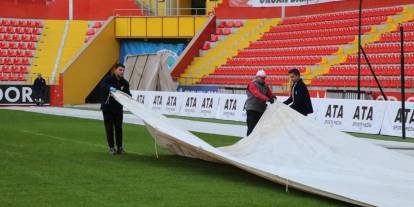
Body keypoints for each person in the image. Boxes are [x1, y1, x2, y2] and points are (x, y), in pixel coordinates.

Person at [100, 63, 131, 155]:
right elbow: (103, 85)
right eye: (120, 70)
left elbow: (127, 93)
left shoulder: (124, 83)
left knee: (119, 128)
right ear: (115, 70)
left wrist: (130, 97)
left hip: (118, 108)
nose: (122, 72)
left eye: (123, 70)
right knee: (109, 129)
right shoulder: (108, 79)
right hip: (108, 108)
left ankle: (120, 147)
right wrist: (110, 88)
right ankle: (111, 148)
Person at [244, 70, 276, 136]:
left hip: (261, 110)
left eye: (264, 78)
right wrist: (268, 99)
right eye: (262, 78)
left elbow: (269, 94)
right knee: (251, 129)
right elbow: (257, 94)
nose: (263, 79)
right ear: (257, 77)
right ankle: (249, 144)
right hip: (252, 109)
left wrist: (273, 97)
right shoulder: (252, 84)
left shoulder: (265, 86)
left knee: (259, 130)